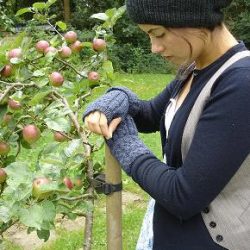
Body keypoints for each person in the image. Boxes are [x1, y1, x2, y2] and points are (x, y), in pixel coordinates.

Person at [83, 0, 250, 249]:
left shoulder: (241, 83)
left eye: (158, 33)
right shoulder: (195, 68)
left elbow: (182, 194)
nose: (154, 47)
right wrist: (116, 97)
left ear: (193, 17)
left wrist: (124, 143)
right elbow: (150, 114)